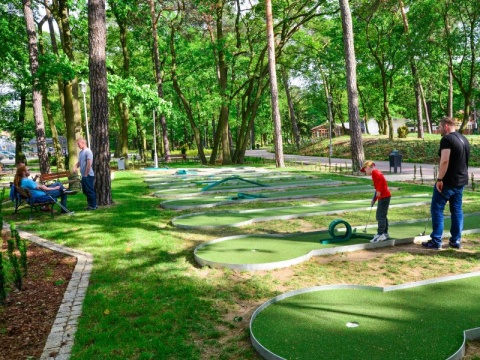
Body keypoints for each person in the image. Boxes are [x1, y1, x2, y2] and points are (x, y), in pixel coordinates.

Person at [422, 117, 470, 250]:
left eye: (440, 126)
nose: (439, 129)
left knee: (437, 209)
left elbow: (444, 161)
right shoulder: (464, 139)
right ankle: (455, 241)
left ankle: (436, 240)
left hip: (447, 182)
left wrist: (439, 179)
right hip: (460, 181)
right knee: (457, 210)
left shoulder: (447, 139)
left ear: (447, 126)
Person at [361, 160, 391, 242]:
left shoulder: (375, 172)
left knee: (380, 216)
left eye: (365, 170)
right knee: (383, 215)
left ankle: (380, 234)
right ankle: (385, 233)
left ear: (367, 167)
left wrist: (379, 191)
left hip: (384, 196)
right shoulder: (374, 174)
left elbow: (381, 180)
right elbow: (377, 187)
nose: (365, 172)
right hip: (384, 196)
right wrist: (374, 199)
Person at [73, 138, 97, 210]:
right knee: (85, 191)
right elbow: (80, 162)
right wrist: (75, 167)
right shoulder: (81, 152)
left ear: (83, 143)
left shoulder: (88, 151)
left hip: (88, 175)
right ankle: (91, 204)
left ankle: (93, 206)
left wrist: (86, 174)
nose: (78, 145)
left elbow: (89, 163)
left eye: (78, 144)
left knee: (89, 190)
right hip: (84, 175)